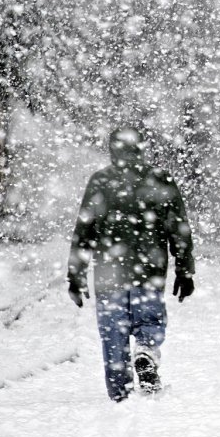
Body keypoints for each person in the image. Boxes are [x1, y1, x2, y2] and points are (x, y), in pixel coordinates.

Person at [67, 128, 196, 401]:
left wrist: (75, 277)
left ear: (112, 151)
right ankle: (146, 352)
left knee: (113, 332)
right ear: (141, 148)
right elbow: (179, 229)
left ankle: (119, 393)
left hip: (109, 271)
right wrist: (184, 270)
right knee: (149, 319)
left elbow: (84, 232)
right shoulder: (160, 181)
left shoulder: (100, 182)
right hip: (150, 269)